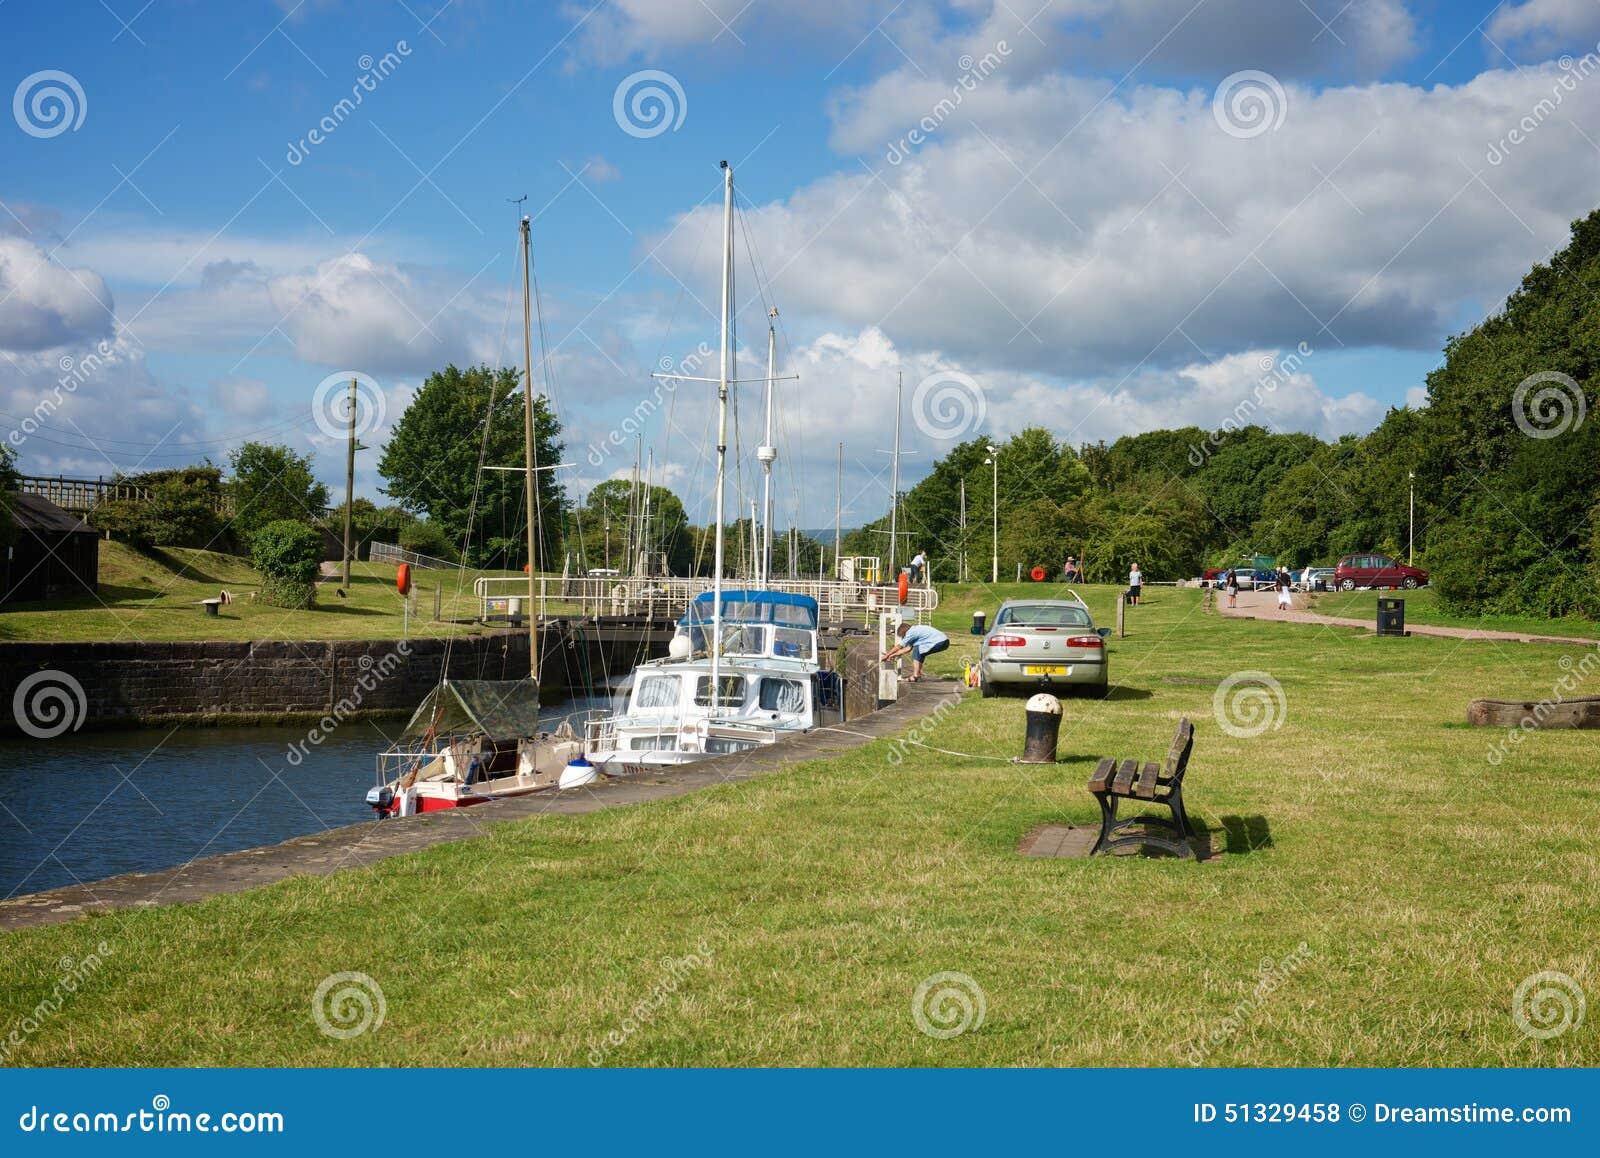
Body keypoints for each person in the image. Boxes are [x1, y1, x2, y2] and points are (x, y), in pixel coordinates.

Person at [881, 620, 949, 682]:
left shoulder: (911, 633)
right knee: (920, 652)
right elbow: (908, 649)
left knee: (917, 650)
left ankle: (916, 675)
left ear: (904, 632)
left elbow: (899, 646)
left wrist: (887, 655)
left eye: (903, 636)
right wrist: (894, 655)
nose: (903, 638)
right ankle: (917, 674)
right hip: (944, 641)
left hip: (940, 642)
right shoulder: (915, 630)